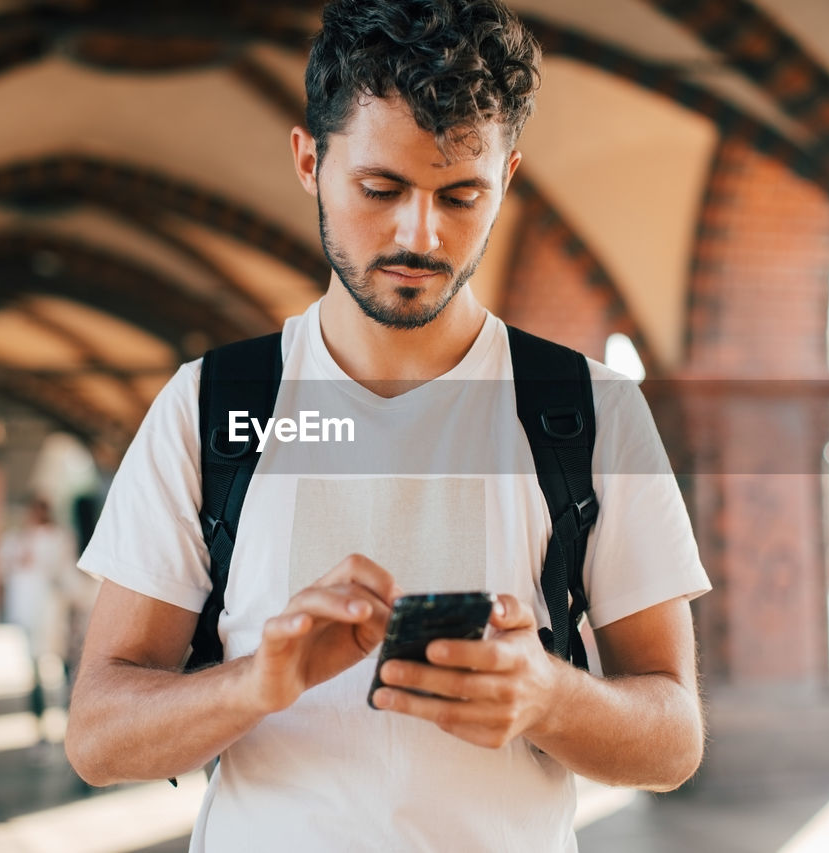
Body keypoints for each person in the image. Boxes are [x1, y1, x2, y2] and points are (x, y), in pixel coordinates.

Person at [66, 1, 711, 849]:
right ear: (309, 161)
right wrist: (258, 680)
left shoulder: (592, 411)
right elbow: (98, 736)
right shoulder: (209, 406)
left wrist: (550, 695)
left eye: (461, 195)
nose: (421, 232)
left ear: (508, 178)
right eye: (381, 188)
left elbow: (674, 739)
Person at [0, 496, 79, 747]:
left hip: (51, 612)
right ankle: (41, 732)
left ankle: (72, 724)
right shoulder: (14, 541)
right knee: (33, 672)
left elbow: (64, 572)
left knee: (63, 665)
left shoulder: (58, 538)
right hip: (26, 612)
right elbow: (2, 571)